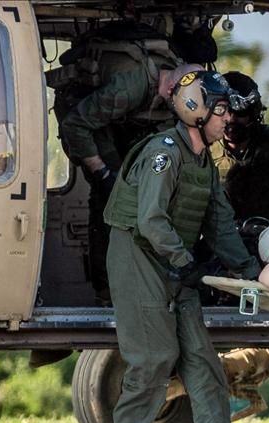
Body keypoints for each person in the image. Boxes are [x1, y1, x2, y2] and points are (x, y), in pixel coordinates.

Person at [102, 70, 266, 423]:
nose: (228, 119)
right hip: (139, 257)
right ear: (195, 110)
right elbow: (151, 220)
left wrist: (251, 272)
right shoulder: (164, 154)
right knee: (155, 354)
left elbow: (219, 223)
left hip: (174, 262)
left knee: (200, 355)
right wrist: (185, 262)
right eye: (221, 110)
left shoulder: (203, 161)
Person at [59, 59, 203, 305]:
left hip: (116, 122)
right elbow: (74, 125)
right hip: (83, 118)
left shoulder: (173, 85)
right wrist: (102, 173)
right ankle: (107, 289)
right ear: (172, 90)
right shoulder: (128, 89)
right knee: (111, 196)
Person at [210, 72, 269, 224]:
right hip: (224, 233)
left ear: (254, 113)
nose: (231, 120)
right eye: (226, 112)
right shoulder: (207, 151)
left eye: (240, 113)